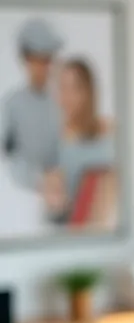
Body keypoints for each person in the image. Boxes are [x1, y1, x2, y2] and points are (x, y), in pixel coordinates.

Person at [41, 58, 116, 226]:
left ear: (88, 91)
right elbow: (53, 211)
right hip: (74, 228)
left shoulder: (111, 131)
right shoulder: (54, 142)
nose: (67, 97)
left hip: (108, 224)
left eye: (75, 88)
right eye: (62, 88)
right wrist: (54, 201)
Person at [1, 17, 62, 190]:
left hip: (59, 193)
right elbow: (7, 159)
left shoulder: (62, 103)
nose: (44, 67)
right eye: (38, 59)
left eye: (47, 59)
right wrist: (39, 179)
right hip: (20, 193)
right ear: (26, 59)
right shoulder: (11, 105)